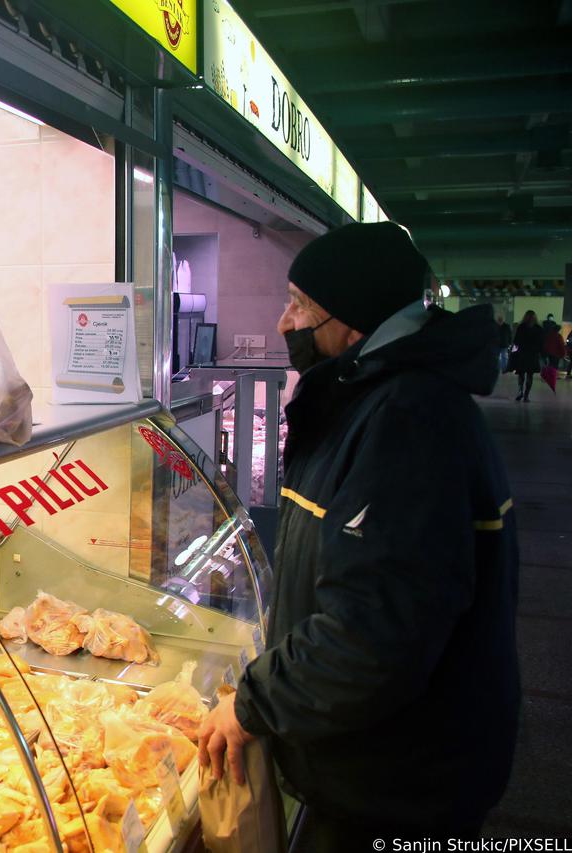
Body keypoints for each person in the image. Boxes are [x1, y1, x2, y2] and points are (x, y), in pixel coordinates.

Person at [197, 222, 519, 851]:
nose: (284, 321)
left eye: (299, 305)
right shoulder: (369, 399)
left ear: (351, 323)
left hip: (401, 785)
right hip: (383, 766)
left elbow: (372, 635)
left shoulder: (406, 423)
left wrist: (254, 703)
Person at [511, 310, 543, 401]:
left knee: (521, 374)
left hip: (522, 354)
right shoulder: (538, 328)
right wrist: (541, 354)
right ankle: (526, 395)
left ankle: (520, 391)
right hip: (533, 355)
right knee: (530, 375)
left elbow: (516, 341)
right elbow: (541, 343)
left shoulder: (521, 327)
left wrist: (513, 353)